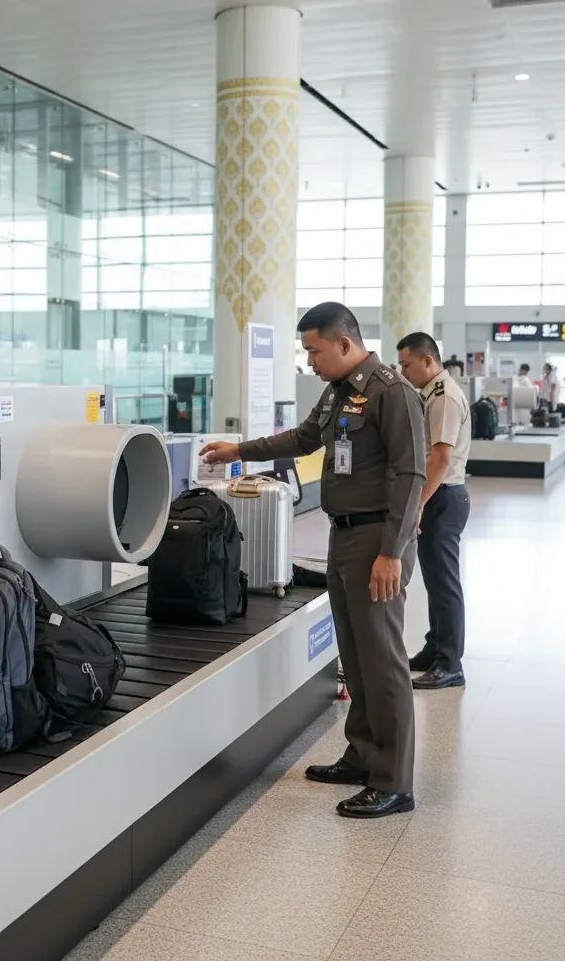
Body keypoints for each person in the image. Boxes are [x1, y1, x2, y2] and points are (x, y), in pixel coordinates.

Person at [201, 302, 425, 819]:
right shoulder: (340, 391)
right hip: (344, 536)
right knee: (356, 653)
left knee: (382, 660)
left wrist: (391, 552)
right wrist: (240, 450)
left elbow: (412, 474)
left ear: (344, 343)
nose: (310, 361)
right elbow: (304, 438)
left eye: (314, 350)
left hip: (377, 540)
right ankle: (362, 755)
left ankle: (393, 781)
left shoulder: (393, 393)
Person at [397, 333, 472, 690]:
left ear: (427, 361)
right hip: (438, 496)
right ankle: (435, 648)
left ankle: (450, 663)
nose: (403, 372)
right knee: (435, 581)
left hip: (442, 497)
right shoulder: (431, 392)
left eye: (407, 365)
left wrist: (418, 504)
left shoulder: (443, 396)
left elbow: (441, 458)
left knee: (444, 584)